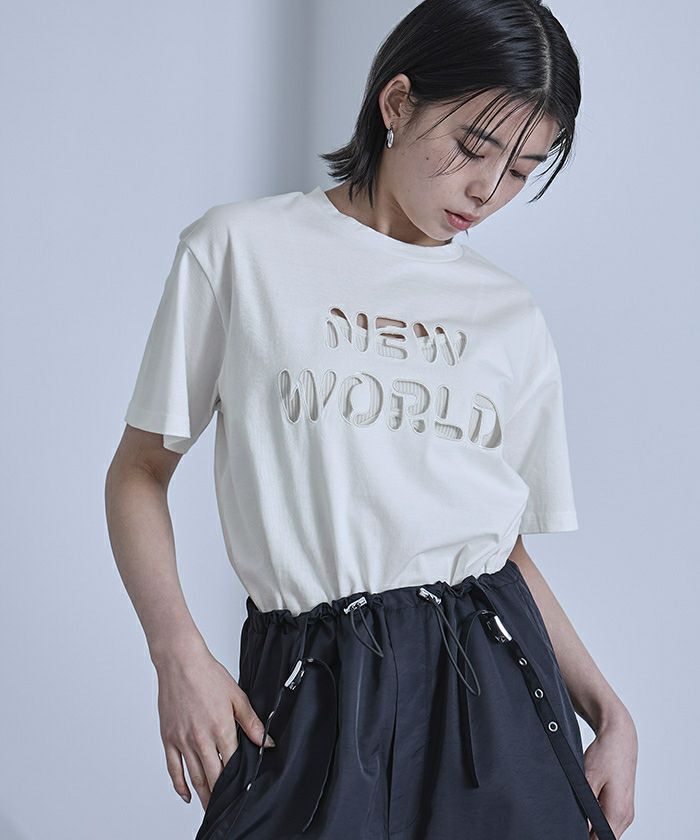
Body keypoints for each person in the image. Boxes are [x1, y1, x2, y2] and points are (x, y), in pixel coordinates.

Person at [105, 1, 638, 837]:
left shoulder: (510, 315)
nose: (487, 191)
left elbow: (500, 548)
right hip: (314, 682)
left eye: (522, 170)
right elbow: (139, 474)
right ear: (397, 102)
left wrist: (609, 712)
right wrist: (176, 653)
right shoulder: (240, 250)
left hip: (491, 695)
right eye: (474, 147)